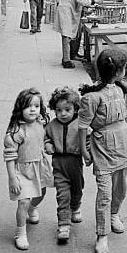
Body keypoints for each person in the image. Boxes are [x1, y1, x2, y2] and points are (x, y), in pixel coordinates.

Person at [78, 48, 127, 253]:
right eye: (124, 67)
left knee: (121, 188)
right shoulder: (92, 98)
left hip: (123, 146)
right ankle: (101, 235)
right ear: (117, 71)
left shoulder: (122, 90)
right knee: (104, 194)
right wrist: (83, 150)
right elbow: (83, 126)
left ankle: (115, 214)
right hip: (103, 149)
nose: (125, 71)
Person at [3, 88, 53, 250]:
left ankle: (33, 208)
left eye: (36, 106)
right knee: (23, 201)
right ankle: (21, 232)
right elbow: (10, 157)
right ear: (20, 108)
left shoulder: (40, 122)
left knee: (41, 193)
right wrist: (12, 177)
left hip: (39, 165)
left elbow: (44, 137)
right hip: (22, 170)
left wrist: (48, 145)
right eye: (28, 106)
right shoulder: (16, 131)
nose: (33, 109)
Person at [45, 87, 84, 244]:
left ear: (75, 109)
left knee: (77, 189)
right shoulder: (51, 126)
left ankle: (75, 207)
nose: (63, 113)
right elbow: (45, 137)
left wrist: (87, 152)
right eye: (59, 110)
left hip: (75, 163)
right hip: (59, 163)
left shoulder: (80, 125)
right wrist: (47, 144)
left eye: (67, 109)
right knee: (62, 194)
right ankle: (63, 225)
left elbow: (87, 140)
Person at [53, 0, 98, 69]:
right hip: (67, 10)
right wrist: (92, 2)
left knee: (67, 35)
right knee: (66, 35)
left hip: (67, 8)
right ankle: (66, 60)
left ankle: (68, 57)